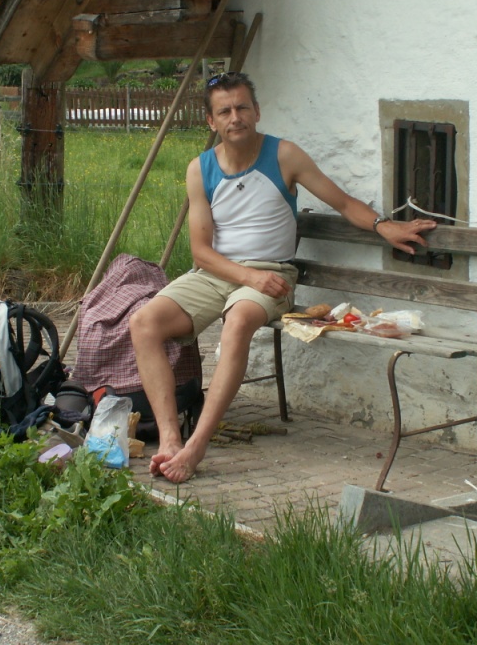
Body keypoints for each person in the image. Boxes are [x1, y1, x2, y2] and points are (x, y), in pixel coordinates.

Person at [128, 72, 436, 483]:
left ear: (256, 111)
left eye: (242, 107)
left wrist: (384, 227)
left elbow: (342, 201)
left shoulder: (284, 156)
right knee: (143, 323)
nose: (235, 117)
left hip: (273, 274)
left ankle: (196, 445)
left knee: (236, 322)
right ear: (211, 121)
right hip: (219, 271)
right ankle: (169, 440)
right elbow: (201, 251)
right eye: (225, 111)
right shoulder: (199, 170)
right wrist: (246, 277)